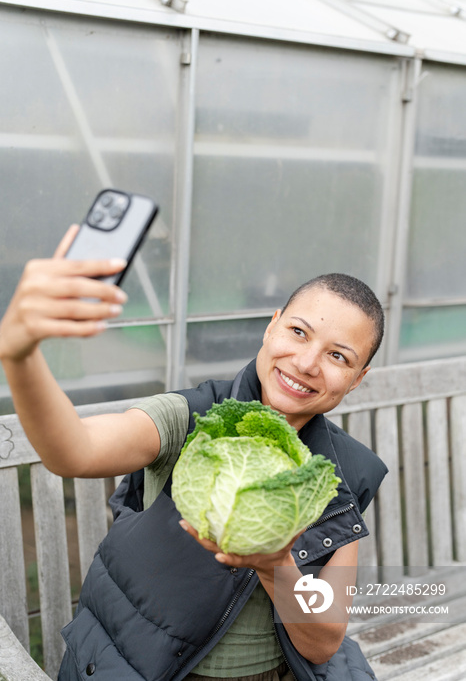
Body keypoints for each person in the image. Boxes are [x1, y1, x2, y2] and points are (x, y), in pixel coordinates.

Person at [0, 226, 387, 681]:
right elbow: (75, 452)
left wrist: (275, 563)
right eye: (298, 332)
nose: (306, 363)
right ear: (272, 325)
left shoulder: (345, 473)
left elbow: (321, 644)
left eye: (338, 357)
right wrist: (19, 355)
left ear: (358, 377)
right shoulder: (189, 418)